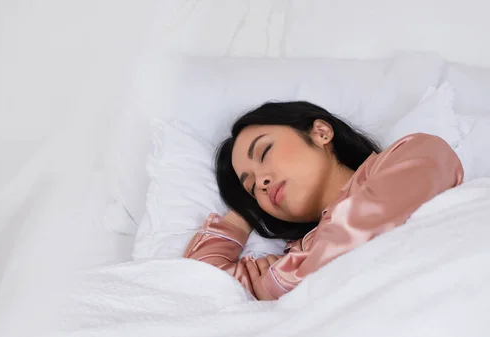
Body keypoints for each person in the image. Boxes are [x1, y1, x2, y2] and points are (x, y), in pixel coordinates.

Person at [183, 101, 464, 301]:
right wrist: (244, 212)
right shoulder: (292, 257)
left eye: (265, 152)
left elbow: (367, 223)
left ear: (321, 132)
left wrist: (277, 284)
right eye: (251, 186)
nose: (261, 182)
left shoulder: (412, 152)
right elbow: (195, 283)